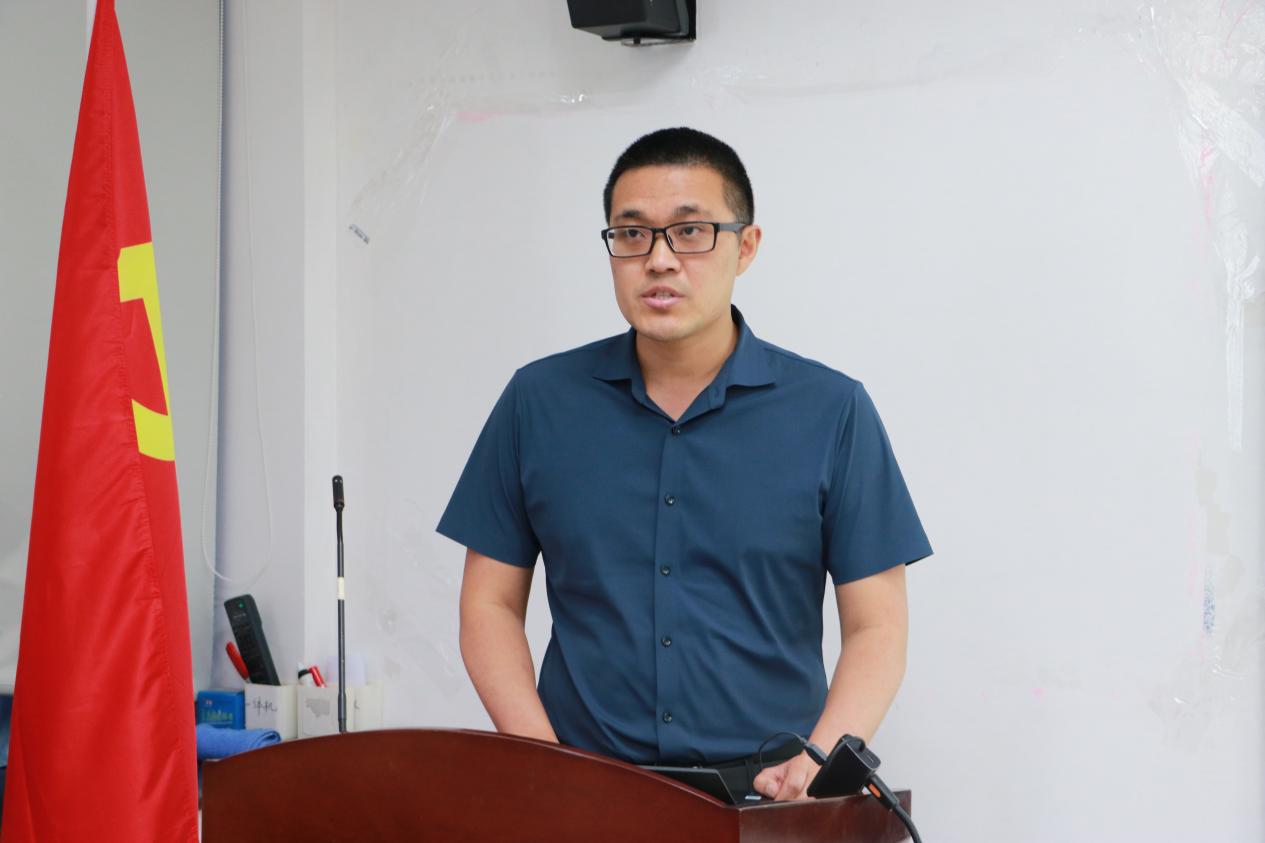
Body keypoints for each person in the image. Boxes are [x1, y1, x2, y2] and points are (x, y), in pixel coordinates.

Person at [437, 127, 931, 802]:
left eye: (691, 231)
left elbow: (877, 625)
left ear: (745, 246)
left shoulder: (831, 410)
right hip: (584, 792)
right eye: (632, 234)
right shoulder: (538, 402)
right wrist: (544, 762)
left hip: (767, 799)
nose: (660, 259)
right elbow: (488, 603)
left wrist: (820, 758)